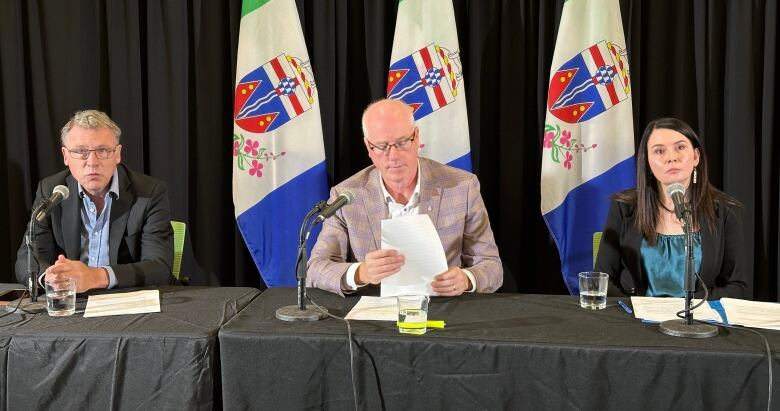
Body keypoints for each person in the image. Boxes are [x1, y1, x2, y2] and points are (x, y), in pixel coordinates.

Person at [307, 99, 502, 296]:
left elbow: (491, 266)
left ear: (416, 137)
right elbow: (315, 268)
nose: (393, 156)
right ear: (368, 146)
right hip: (374, 315)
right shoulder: (347, 195)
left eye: (401, 143)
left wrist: (467, 280)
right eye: (382, 146)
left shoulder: (462, 187)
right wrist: (360, 273)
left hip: (442, 309)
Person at [15, 110, 174, 292]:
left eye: (103, 150)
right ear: (66, 156)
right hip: (73, 301)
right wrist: (50, 279)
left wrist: (96, 277)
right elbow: (27, 257)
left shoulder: (149, 192)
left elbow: (159, 267)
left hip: (126, 299)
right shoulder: (51, 190)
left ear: (117, 154)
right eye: (81, 151)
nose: (92, 162)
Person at [595, 117, 748, 299]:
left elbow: (738, 287)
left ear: (696, 157)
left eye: (680, 147)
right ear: (648, 163)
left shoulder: (725, 211)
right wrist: (633, 311)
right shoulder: (624, 208)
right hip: (634, 320)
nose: (671, 158)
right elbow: (603, 280)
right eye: (659, 151)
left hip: (698, 321)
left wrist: (690, 309)